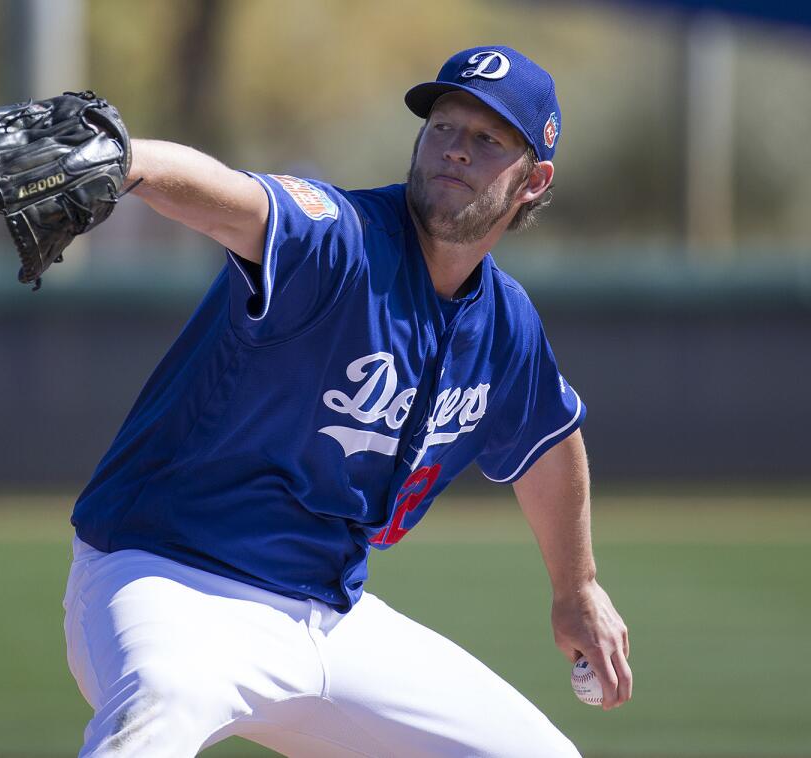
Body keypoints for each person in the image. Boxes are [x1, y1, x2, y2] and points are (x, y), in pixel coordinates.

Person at [64, 46, 631, 756]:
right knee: (158, 711)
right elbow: (232, 200)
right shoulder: (341, 237)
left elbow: (550, 443)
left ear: (533, 180)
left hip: (331, 617)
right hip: (169, 581)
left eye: (488, 140)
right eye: (444, 127)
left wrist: (577, 588)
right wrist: (125, 162)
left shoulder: (505, 323)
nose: (455, 150)